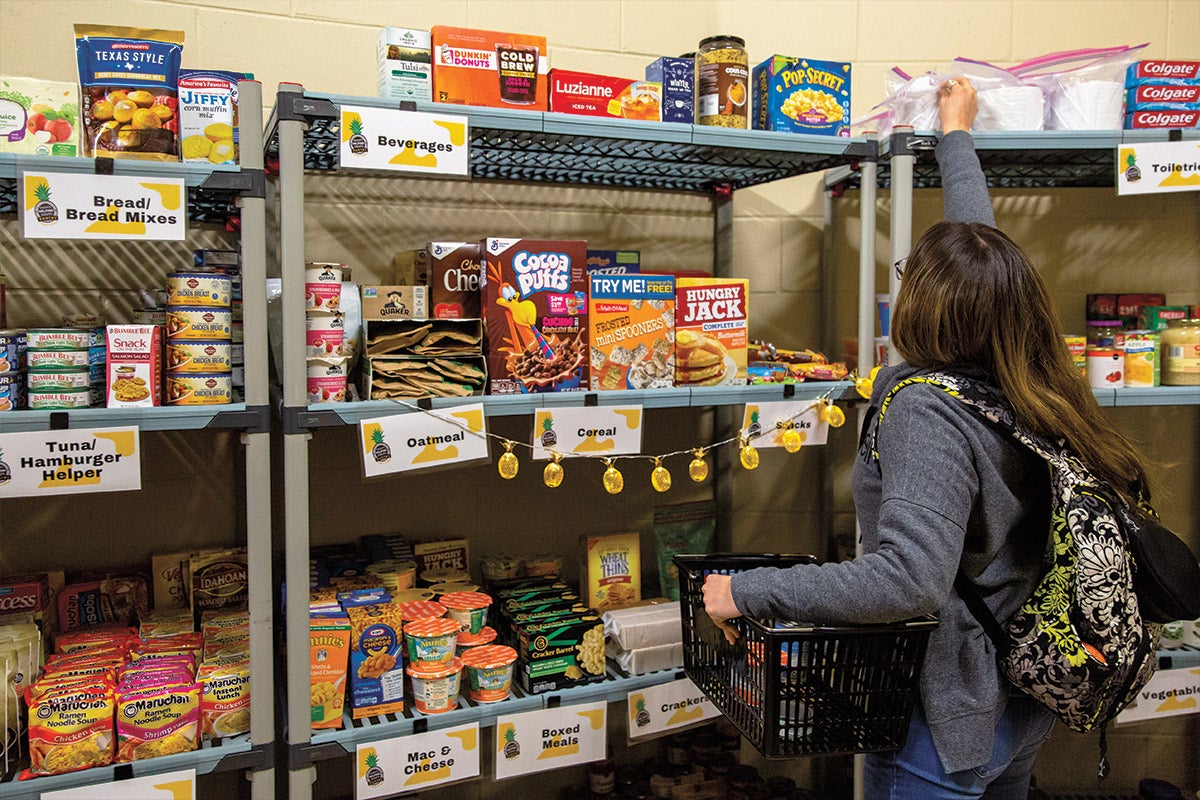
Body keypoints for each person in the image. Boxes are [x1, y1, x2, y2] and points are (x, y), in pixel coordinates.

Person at [701, 77, 1153, 800]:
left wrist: (746, 592)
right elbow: (981, 256)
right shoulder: (1029, 377)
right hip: (1022, 694)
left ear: (927, 305)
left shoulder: (926, 410)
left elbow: (907, 578)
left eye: (911, 274)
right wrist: (956, 134)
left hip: (948, 719)